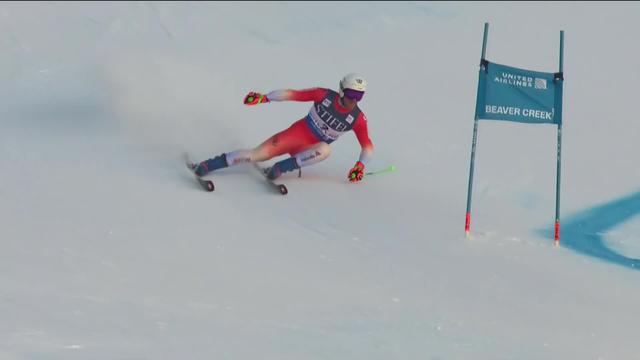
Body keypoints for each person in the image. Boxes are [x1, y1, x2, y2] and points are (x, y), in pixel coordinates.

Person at [194, 73, 374, 183]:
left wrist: (360, 166)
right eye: (351, 94)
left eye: (359, 96)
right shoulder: (323, 95)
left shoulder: (357, 118)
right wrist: (265, 98)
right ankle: (208, 165)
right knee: (255, 155)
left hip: (309, 149)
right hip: (296, 135)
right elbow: (293, 94)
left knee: (325, 150)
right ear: (342, 91)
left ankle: (281, 168)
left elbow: (367, 145)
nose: (354, 100)